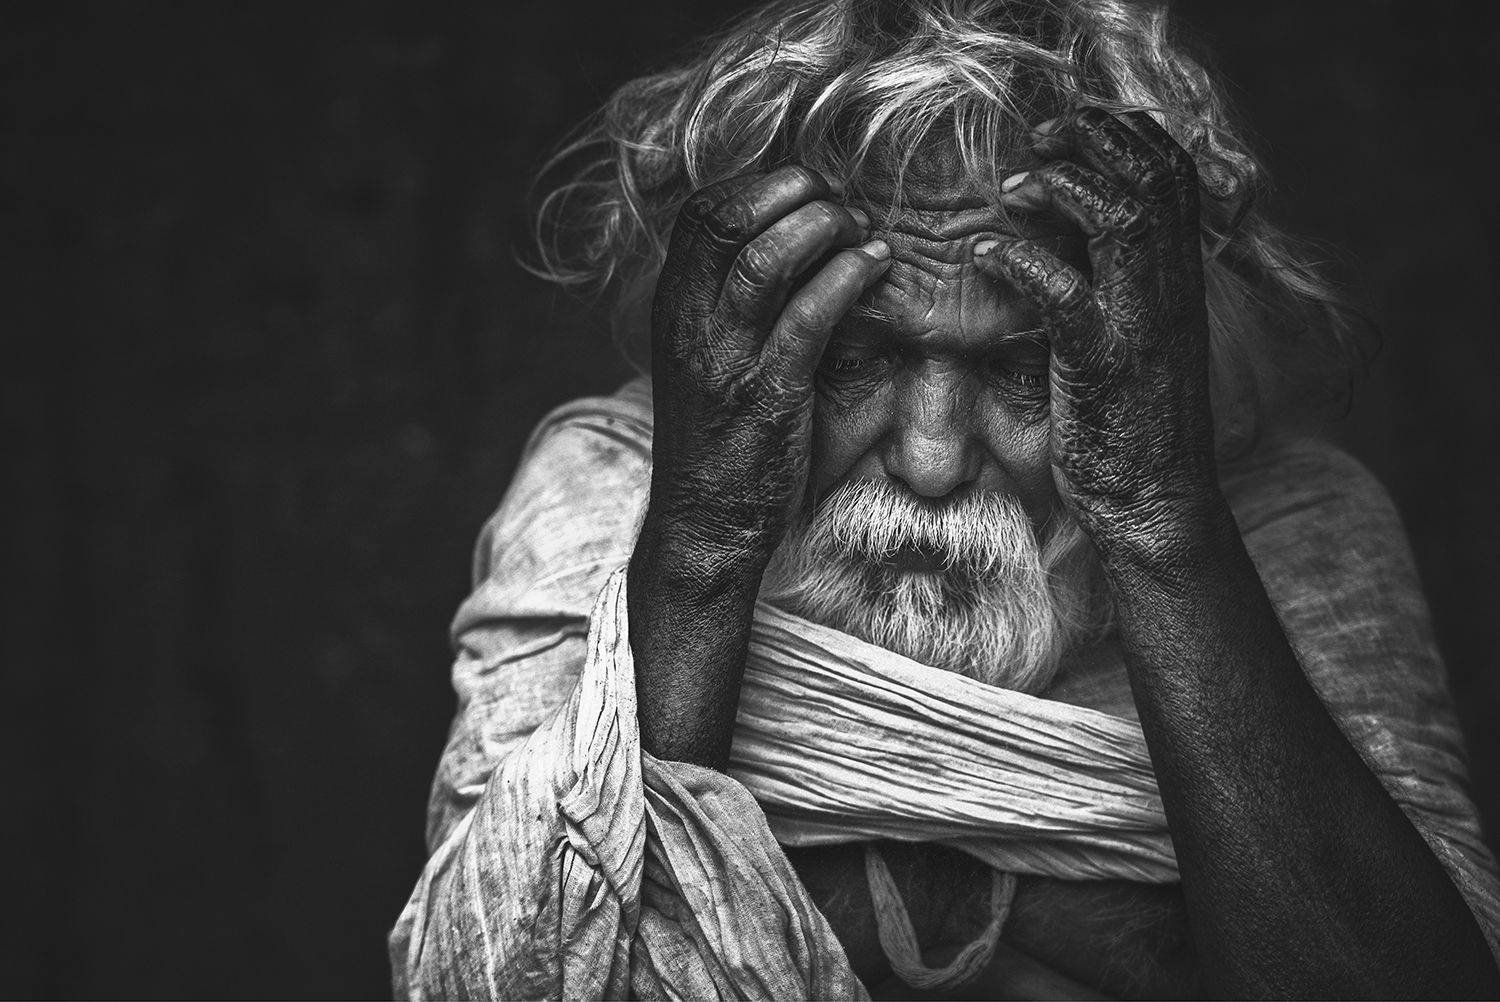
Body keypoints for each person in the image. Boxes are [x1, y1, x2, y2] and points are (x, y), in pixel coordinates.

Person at [390, 1, 1500, 997]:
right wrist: (705, 542)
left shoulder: (1279, 526)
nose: (929, 460)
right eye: (853, 359)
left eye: (1024, 372)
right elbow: (505, 974)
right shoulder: (621, 491)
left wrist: (1158, 521)